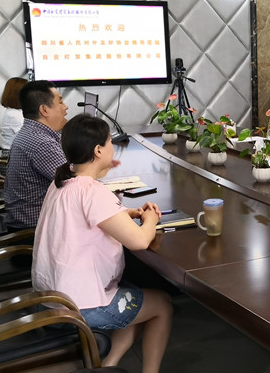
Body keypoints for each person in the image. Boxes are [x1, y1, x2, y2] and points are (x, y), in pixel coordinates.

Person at [32, 114, 172, 371]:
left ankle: (110, 364)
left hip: (53, 297)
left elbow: (84, 216)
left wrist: (124, 214)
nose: (112, 147)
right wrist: (151, 219)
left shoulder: (61, 182)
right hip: (82, 305)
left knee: (139, 297)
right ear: (98, 150)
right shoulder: (92, 192)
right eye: (109, 142)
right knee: (161, 304)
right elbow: (140, 241)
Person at [3, 80, 69, 230]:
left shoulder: (33, 132)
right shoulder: (41, 143)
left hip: (28, 220)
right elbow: (76, 185)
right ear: (44, 110)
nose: (66, 107)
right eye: (60, 102)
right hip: (35, 229)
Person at [0, 77, 27, 175]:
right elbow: (29, 138)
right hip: (11, 162)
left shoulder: (16, 112)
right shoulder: (13, 115)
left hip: (15, 158)